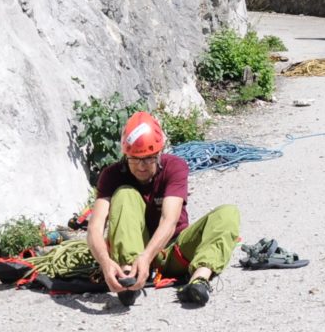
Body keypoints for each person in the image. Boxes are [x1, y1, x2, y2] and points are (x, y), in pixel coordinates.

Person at [88, 111, 242, 308]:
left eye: (149, 158)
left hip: (174, 250)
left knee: (228, 213)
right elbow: (95, 228)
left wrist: (146, 257)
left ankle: (199, 280)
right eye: (135, 159)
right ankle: (128, 278)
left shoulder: (175, 167)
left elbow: (169, 221)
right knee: (125, 193)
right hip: (136, 254)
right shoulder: (111, 175)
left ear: (160, 154)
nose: (141, 166)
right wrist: (105, 263)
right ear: (125, 155)